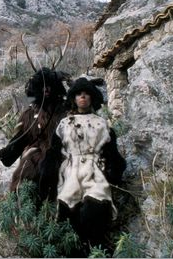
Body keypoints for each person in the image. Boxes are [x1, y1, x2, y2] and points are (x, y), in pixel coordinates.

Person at [40, 77, 126, 252]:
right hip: (71, 170)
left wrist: (113, 171)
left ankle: (98, 249)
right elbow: (54, 152)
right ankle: (75, 250)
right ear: (73, 98)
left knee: (96, 205)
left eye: (87, 94)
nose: (83, 97)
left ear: (93, 97)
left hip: (95, 170)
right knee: (68, 207)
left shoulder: (102, 124)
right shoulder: (64, 124)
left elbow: (112, 152)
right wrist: (47, 173)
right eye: (79, 93)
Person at [0, 67, 69, 202]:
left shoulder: (65, 110)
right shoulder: (30, 114)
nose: (46, 89)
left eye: (49, 85)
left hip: (61, 154)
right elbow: (22, 136)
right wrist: (9, 152)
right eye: (42, 86)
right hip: (35, 156)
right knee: (25, 180)